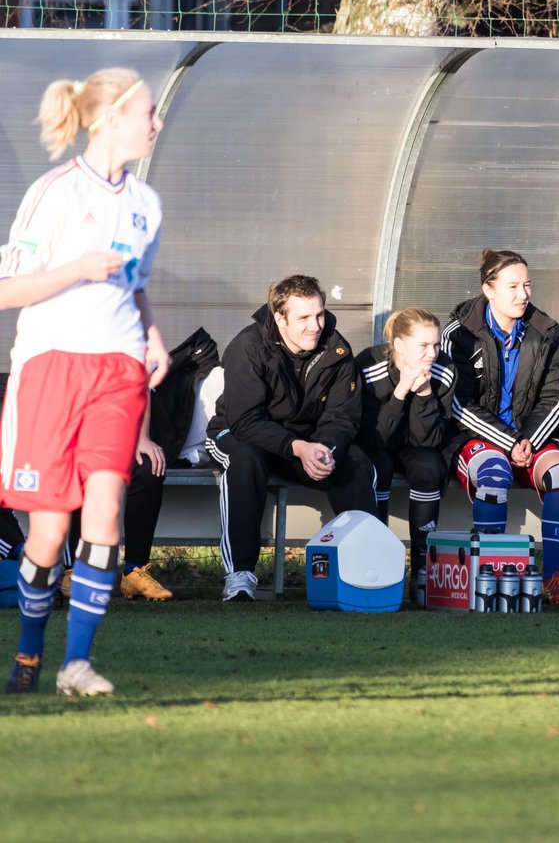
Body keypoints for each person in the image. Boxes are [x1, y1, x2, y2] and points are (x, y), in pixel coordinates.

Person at [0, 67, 169, 696]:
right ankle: (28, 656)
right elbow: (7, 290)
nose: (156, 123)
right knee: (48, 533)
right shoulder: (55, 193)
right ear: (110, 120)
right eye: (148, 112)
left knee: (105, 513)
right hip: (50, 367)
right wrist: (74, 269)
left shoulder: (147, 205)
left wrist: (151, 338)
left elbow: (137, 287)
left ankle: (76, 665)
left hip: (117, 370)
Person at [205, 275, 378, 602]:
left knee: (355, 462)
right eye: (304, 318)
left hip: (308, 443)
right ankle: (240, 573)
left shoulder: (337, 348)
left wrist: (325, 449)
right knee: (244, 459)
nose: (315, 325)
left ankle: (364, 569)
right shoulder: (248, 347)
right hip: (239, 434)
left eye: (319, 314)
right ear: (279, 318)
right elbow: (245, 421)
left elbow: (344, 416)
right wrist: (298, 447)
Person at [442, 249, 559, 605]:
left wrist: (528, 440)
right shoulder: (459, 334)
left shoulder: (547, 332)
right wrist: (509, 440)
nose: (523, 294)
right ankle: (489, 571)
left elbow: (558, 397)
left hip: (533, 437)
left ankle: (553, 579)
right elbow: (456, 402)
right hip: (475, 437)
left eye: (527, 285)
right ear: (489, 289)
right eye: (513, 286)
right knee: (493, 472)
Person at [60, 327, 222, 601]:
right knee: (80, 467)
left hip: (119, 431)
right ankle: (74, 569)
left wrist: (142, 437)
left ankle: (134, 570)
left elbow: (139, 386)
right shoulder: (64, 335)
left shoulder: (122, 325)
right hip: (72, 434)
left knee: (149, 464)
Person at [355, 308, 455, 590]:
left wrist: (423, 393)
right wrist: (400, 393)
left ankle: (423, 567)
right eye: (423, 345)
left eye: (436, 345)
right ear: (399, 344)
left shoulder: (444, 370)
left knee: (429, 465)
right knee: (379, 466)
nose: (432, 353)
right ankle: (377, 558)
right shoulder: (368, 364)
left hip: (416, 446)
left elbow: (430, 441)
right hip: (377, 444)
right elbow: (374, 439)